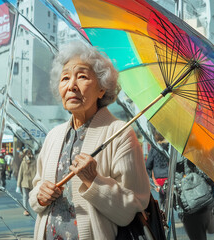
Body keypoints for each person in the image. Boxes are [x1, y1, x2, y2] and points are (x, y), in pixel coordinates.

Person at [29, 41, 150, 239]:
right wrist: (39, 197)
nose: (71, 86)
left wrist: (94, 181)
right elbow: (36, 187)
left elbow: (133, 207)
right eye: (65, 78)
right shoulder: (53, 135)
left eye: (82, 77)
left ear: (102, 88)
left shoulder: (119, 133)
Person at [146, 129, 169, 209]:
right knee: (170, 199)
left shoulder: (154, 148)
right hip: (169, 177)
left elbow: (148, 165)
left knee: (162, 199)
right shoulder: (168, 147)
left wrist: (150, 178)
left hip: (158, 179)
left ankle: (163, 213)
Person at [16, 149, 37, 216]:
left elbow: (37, 172)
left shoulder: (34, 161)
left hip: (32, 182)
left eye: (29, 152)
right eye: (27, 153)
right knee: (25, 196)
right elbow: (20, 174)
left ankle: (34, 208)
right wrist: (18, 185)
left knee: (32, 196)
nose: (29, 154)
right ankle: (26, 210)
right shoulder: (23, 162)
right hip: (25, 182)